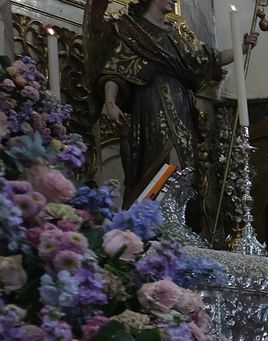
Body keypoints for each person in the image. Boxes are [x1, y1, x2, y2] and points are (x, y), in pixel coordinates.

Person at [97, 0, 257, 205]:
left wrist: (241, 48)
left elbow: (210, 59)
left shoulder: (176, 37)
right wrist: (110, 103)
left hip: (182, 108)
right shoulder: (132, 30)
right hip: (151, 106)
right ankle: (156, 219)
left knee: (186, 164)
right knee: (160, 160)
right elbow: (114, 70)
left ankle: (180, 221)